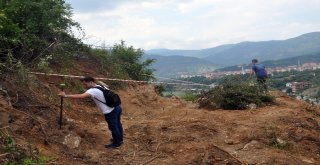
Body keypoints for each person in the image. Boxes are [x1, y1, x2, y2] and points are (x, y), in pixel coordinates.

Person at [58, 76, 123, 149]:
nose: (85, 86)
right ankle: (119, 140)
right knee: (118, 123)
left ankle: (117, 144)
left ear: (90, 82)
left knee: (113, 127)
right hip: (116, 107)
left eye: (85, 84)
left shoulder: (92, 91)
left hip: (110, 111)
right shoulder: (100, 86)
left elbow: (81, 96)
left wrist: (66, 95)